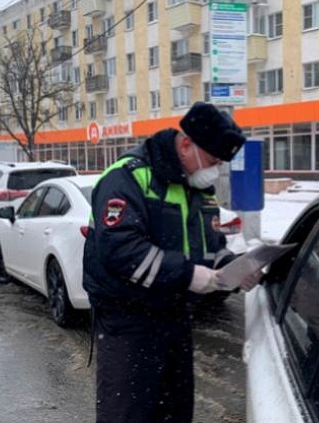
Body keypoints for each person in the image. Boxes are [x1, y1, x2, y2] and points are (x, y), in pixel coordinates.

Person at [82, 102, 252, 422]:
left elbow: (212, 247)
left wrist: (235, 266)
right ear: (186, 144)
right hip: (127, 323)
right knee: (127, 415)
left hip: (175, 320)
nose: (215, 169)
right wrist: (187, 274)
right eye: (213, 160)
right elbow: (121, 250)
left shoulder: (198, 190)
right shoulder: (128, 177)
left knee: (173, 413)